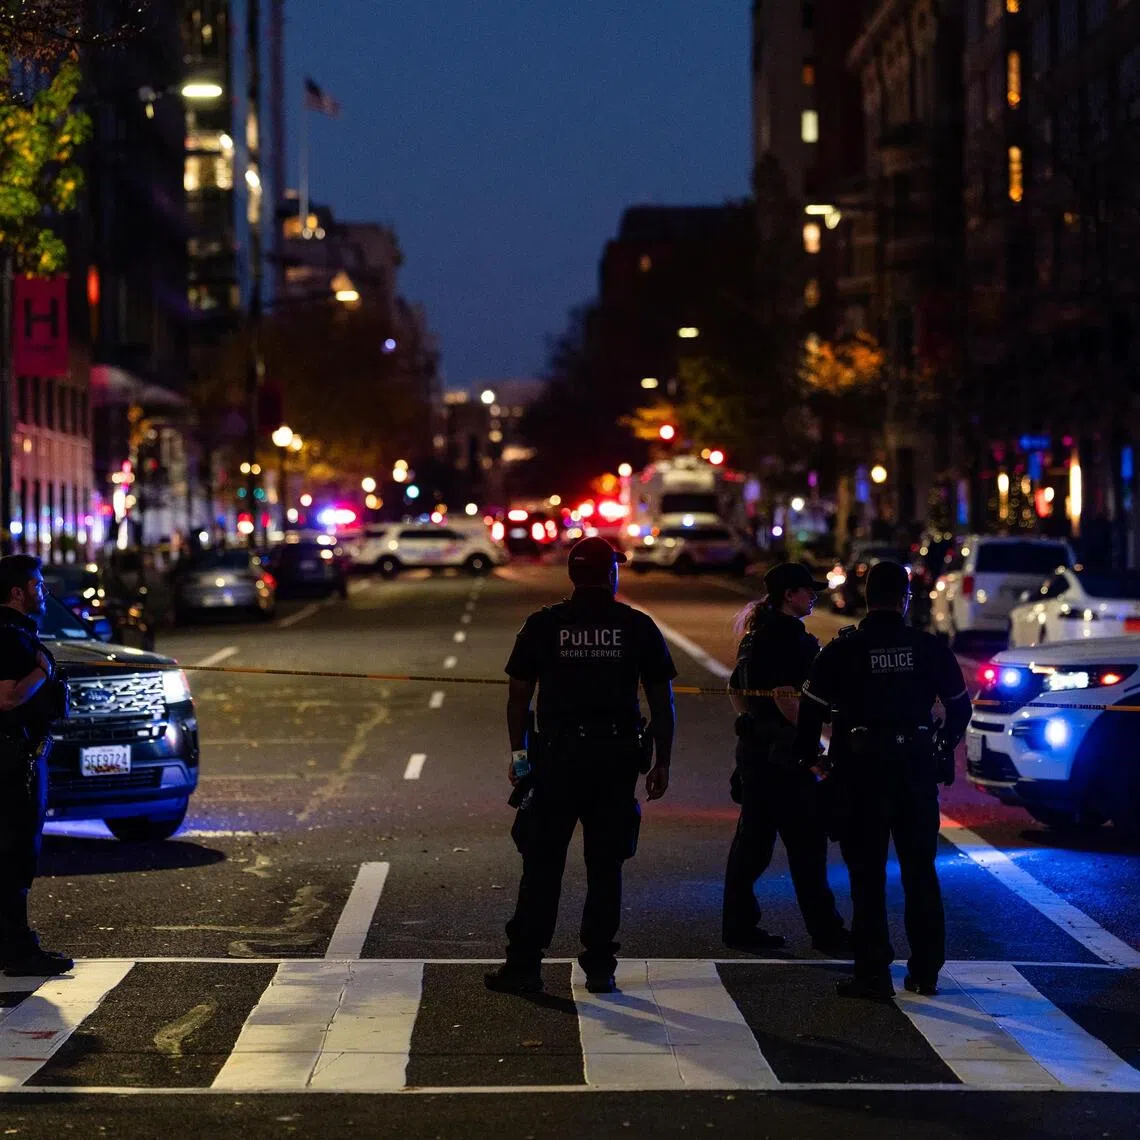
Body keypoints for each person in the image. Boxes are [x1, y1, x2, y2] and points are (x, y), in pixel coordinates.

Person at [486, 536, 676, 995]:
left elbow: (518, 695)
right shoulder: (635, 626)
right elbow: (661, 700)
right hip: (614, 761)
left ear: (572, 575)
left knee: (542, 864)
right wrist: (663, 761)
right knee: (606, 866)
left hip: (556, 760)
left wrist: (519, 755)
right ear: (611, 574)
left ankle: (526, 966)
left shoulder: (545, 624)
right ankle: (599, 968)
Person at [795, 560, 971, 1000]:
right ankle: (926, 971)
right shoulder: (928, 648)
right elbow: (960, 709)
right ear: (906, 598)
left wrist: (813, 758)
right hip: (913, 771)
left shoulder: (844, 649)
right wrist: (940, 745)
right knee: (920, 872)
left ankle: (873, 973)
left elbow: (810, 709)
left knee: (867, 877)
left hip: (861, 773)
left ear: (867, 598)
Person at [723, 562, 849, 955]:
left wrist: (753, 724)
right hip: (785, 757)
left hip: (755, 754)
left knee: (752, 848)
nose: (813, 596)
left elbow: (737, 693)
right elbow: (785, 696)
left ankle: (739, 927)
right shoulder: (790, 638)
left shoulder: (753, 637)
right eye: (807, 590)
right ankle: (826, 932)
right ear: (788, 595)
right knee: (807, 846)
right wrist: (810, 750)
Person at [0, 555, 73, 977]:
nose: (42, 592)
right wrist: (43, 672)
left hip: (17, 755)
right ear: (17, 592)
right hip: (12, 760)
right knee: (15, 854)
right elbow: (7, 697)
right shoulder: (8, 637)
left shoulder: (15, 633)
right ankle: (18, 950)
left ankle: (12, 944)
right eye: (37, 585)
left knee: (12, 852)